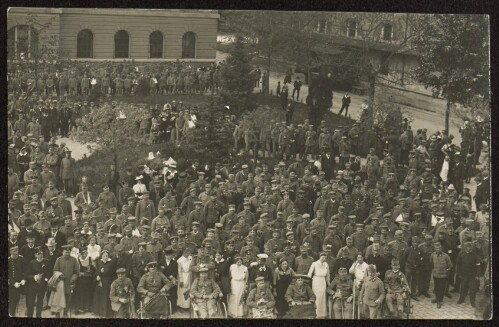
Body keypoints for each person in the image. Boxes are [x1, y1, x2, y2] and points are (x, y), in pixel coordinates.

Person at [52, 244, 80, 317]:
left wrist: (73, 279)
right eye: (65, 252)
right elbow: (55, 271)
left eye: (68, 252)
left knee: (68, 298)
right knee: (59, 298)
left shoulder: (74, 260)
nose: (67, 254)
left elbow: (77, 272)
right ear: (62, 252)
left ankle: (65, 312)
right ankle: (57, 312)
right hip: (60, 283)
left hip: (69, 283)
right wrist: (60, 276)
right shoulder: (59, 259)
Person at [456, 241, 481, 307]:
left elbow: (478, 265)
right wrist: (459, 273)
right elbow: (458, 264)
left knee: (472, 289)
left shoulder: (475, 255)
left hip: (472, 275)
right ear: (465, 247)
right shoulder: (461, 254)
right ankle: (461, 299)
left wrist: (478, 275)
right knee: (463, 288)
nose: (469, 248)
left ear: (471, 248)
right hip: (464, 275)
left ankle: (472, 302)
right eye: (467, 247)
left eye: (470, 247)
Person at [93, 249, 116, 318]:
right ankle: (99, 312)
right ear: (101, 256)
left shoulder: (111, 263)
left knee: (105, 297)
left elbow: (113, 273)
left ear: (108, 256)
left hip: (108, 281)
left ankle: (106, 313)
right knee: (99, 296)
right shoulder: (99, 262)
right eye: (104, 256)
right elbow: (97, 271)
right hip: (100, 281)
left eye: (106, 256)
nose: (105, 257)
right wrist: (97, 275)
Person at [72, 247, 96, 314]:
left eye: (86, 252)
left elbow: (95, 269)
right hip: (80, 280)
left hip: (89, 280)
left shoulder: (90, 259)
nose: (84, 254)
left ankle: (87, 307)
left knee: (88, 292)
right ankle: (80, 308)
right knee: (80, 293)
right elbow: (75, 271)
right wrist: (81, 273)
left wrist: (90, 271)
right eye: (83, 253)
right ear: (80, 254)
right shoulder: (77, 260)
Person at [430, 241, 453, 308]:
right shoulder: (433, 255)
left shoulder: (446, 256)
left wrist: (446, 271)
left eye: (439, 248)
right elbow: (431, 263)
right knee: (436, 288)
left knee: (441, 289)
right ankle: (437, 299)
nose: (438, 249)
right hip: (436, 275)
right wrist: (434, 270)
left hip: (443, 276)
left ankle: (439, 301)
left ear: (441, 248)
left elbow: (450, 266)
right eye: (437, 248)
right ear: (435, 249)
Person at [307, 252, 330, 318]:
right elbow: (309, 274)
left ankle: (322, 313)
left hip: (323, 281)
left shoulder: (326, 264)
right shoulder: (314, 264)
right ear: (320, 257)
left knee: (323, 296)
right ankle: (316, 313)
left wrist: (329, 284)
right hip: (316, 281)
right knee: (317, 297)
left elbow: (328, 275)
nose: (324, 259)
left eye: (325, 258)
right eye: (322, 257)